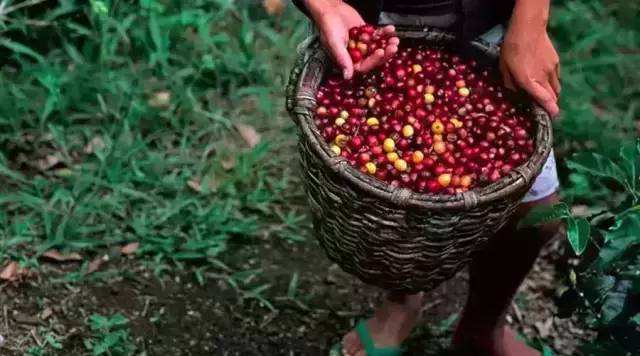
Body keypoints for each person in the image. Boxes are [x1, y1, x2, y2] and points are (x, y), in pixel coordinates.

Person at [292, 0, 562, 355]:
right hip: (372, 23)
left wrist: (532, 22)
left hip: (493, 28)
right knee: (395, 207)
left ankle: (484, 326)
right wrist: (324, 5)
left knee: (539, 214)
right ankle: (401, 303)